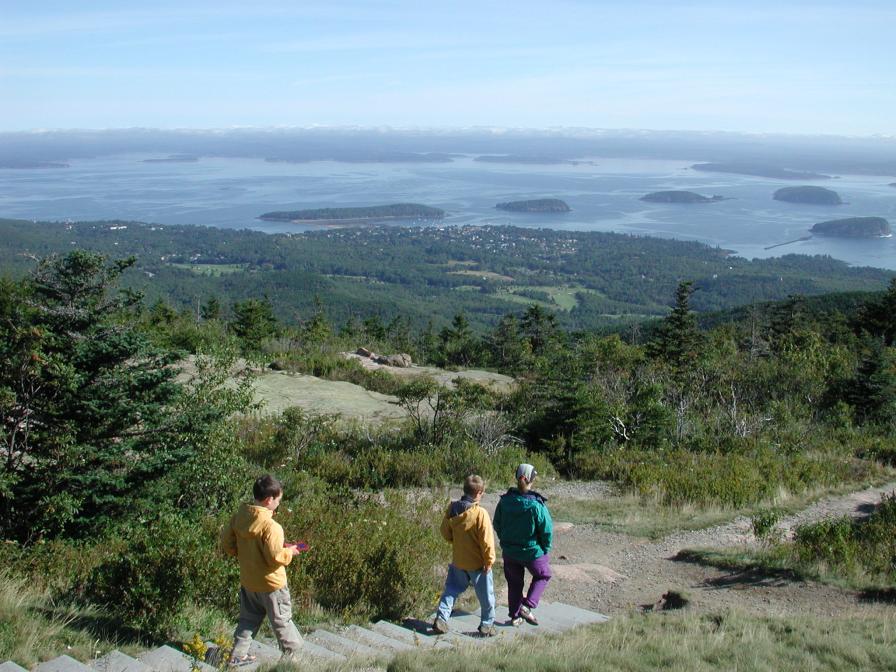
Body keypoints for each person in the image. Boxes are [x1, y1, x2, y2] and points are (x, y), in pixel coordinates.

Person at [220, 474, 304, 665]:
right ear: (269, 500)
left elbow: (227, 543)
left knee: (248, 620)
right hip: (272, 584)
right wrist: (289, 552)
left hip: (249, 580)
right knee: (282, 621)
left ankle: (237, 655)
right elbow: (275, 558)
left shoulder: (239, 518)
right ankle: (292, 660)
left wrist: (242, 553)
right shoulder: (271, 526)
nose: (279, 504)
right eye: (278, 500)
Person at [432, 474, 497, 637]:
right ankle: (487, 625)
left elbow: (445, 533)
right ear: (479, 492)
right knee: (486, 596)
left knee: (452, 589)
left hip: (459, 560)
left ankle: (442, 617)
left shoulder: (453, 509)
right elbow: (487, 542)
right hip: (478, 564)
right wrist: (489, 561)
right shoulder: (480, 514)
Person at [493, 463, 553, 626]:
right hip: (532, 551)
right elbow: (546, 530)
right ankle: (528, 606)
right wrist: (545, 548)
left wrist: (504, 540)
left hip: (510, 551)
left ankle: (515, 615)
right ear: (532, 479)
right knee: (544, 574)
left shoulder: (505, 501)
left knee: (514, 583)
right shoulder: (536, 504)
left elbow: (497, 523)